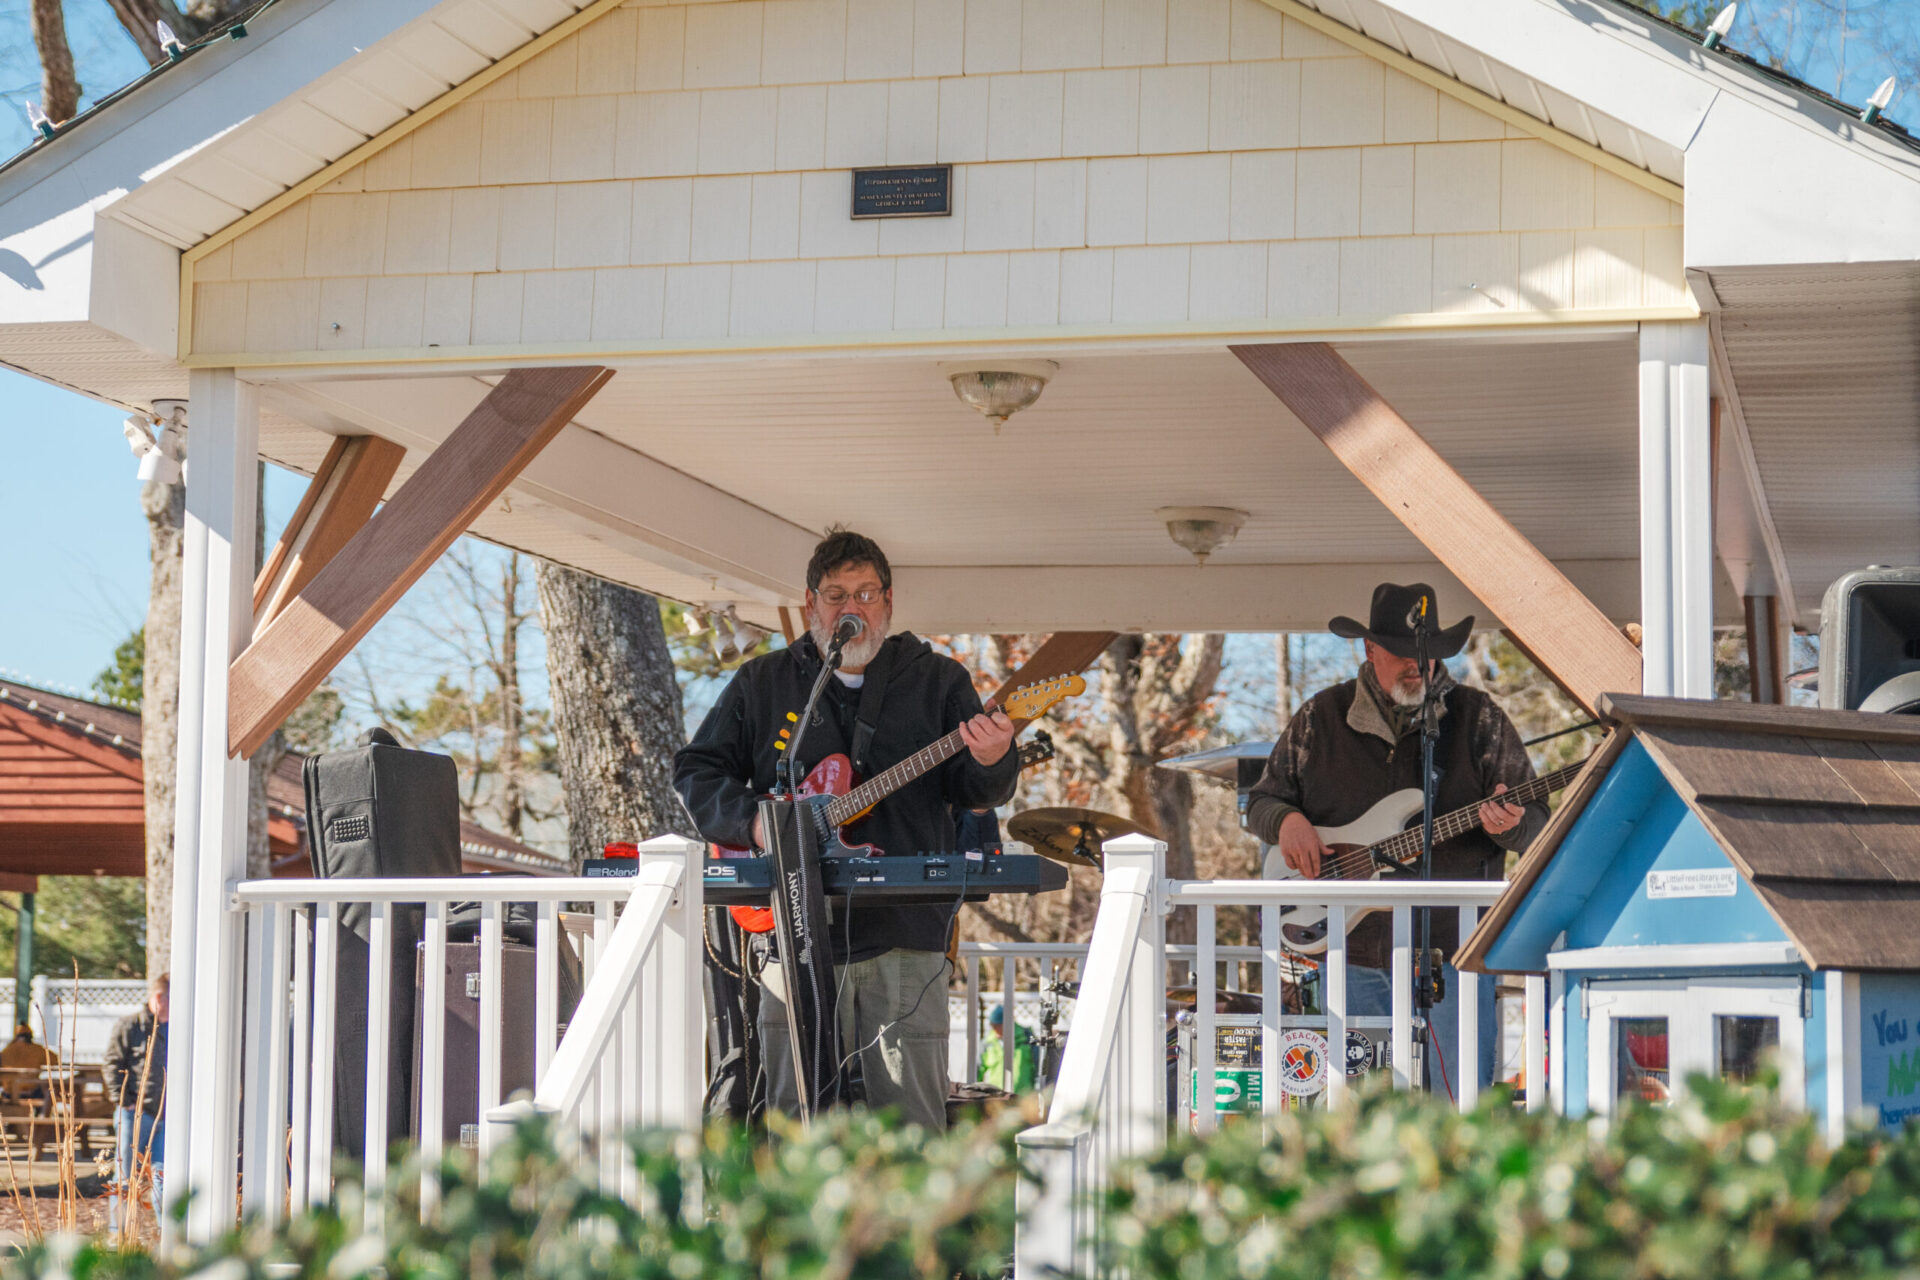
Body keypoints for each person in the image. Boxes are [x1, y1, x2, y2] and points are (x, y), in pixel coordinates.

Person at [674, 528, 1018, 1129]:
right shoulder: (766, 682)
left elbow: (975, 791)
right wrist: (754, 823)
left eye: (864, 594)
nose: (850, 609)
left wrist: (992, 760)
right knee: (793, 1119)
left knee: (911, 1124)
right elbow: (697, 769)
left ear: (887, 601)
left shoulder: (938, 680)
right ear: (812, 605)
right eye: (836, 596)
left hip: (906, 936)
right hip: (793, 932)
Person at [1245, 584, 1547, 1096]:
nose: (1418, 667)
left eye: (1428, 656)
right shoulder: (1321, 717)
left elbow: (1537, 824)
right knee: (1361, 1105)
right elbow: (1262, 801)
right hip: (1350, 949)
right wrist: (1287, 823)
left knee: (1459, 1100)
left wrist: (1510, 825)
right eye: (1404, 655)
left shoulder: (1479, 718)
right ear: (1369, 650)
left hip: (1454, 949)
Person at [104, 973, 167, 1205]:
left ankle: (164, 1234)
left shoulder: (180, 1027)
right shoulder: (130, 1026)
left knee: (163, 1177)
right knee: (125, 1178)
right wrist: (125, 1101)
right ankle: (117, 1236)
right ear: (159, 998)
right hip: (136, 1113)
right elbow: (112, 1064)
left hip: (168, 1115)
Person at [978, 1004, 1035, 1093]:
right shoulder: (988, 1043)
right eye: (993, 1026)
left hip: (1022, 1099)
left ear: (1008, 1024)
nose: (995, 1029)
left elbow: (1038, 1067)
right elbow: (978, 1069)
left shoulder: (1027, 1039)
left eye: (998, 1026)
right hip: (996, 1100)